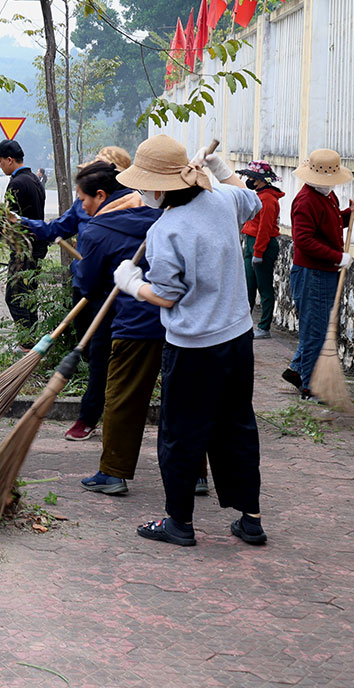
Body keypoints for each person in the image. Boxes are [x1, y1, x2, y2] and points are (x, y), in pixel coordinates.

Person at [112, 135, 265, 547]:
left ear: (159, 188)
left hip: (193, 348)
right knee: (237, 425)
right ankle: (250, 519)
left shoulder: (168, 230)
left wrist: (132, 283)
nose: (141, 192)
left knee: (182, 432)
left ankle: (179, 522)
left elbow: (167, 295)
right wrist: (220, 170)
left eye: (144, 185)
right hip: (237, 336)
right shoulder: (222, 201)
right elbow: (253, 200)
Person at [68, 160, 162, 495]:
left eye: (83, 200)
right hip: (182, 322)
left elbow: (89, 288)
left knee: (121, 398)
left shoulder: (97, 231)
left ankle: (113, 473)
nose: (82, 206)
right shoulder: (162, 216)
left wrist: (93, 276)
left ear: (102, 195)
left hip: (136, 325)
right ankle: (195, 474)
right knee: (183, 399)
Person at [285, 149, 354, 398]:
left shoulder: (328, 197)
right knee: (315, 330)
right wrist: (337, 257)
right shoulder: (306, 201)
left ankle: (297, 371)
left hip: (325, 272)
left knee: (317, 325)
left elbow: (329, 225)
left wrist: (351, 215)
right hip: (312, 274)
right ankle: (309, 385)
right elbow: (304, 241)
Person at [0, 139, 45, 333]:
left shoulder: (18, 183)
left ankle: (26, 343)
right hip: (37, 247)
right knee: (28, 295)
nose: (0, 165)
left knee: (16, 296)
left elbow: (7, 220)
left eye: (1, 161)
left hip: (25, 250)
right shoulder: (34, 179)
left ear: (10, 160)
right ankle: (33, 340)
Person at [238, 161, 285, 341]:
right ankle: (243, 324)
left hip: (262, 245)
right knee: (248, 286)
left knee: (264, 288)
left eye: (252, 177)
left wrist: (258, 253)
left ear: (260, 180)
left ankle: (264, 327)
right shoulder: (259, 196)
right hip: (252, 243)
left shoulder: (268, 199)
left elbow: (264, 229)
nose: (249, 180)